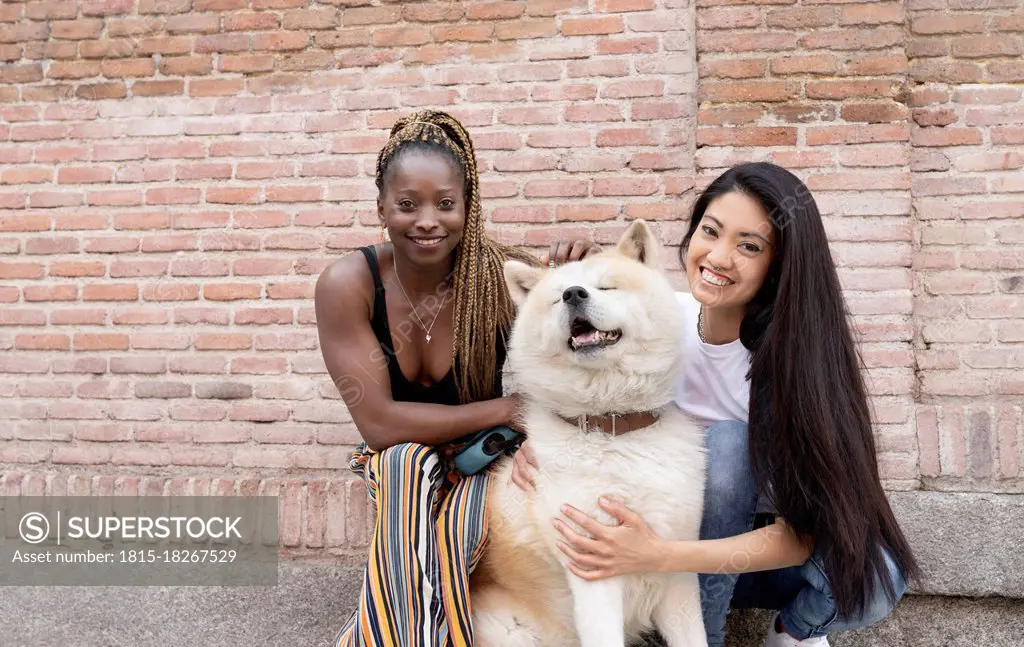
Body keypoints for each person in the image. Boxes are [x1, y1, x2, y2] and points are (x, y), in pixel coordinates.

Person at [510, 162, 921, 647]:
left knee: (879, 574)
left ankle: (791, 632)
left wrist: (660, 555)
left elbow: (806, 535)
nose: (719, 257)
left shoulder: (794, 366)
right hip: (648, 547)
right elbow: (569, 378)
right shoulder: (658, 321)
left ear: (778, 265)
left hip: (739, 552)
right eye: (711, 231)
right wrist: (546, 441)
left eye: (750, 246)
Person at [315, 109, 596, 647]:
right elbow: (378, 425)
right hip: (398, 456)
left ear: (468, 207)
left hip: (482, 457)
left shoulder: (496, 277)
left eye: (446, 204)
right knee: (404, 464)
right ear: (380, 207)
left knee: (454, 536)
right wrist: (510, 409)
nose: (427, 220)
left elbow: (584, 331)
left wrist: (579, 271)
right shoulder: (349, 284)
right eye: (407, 204)